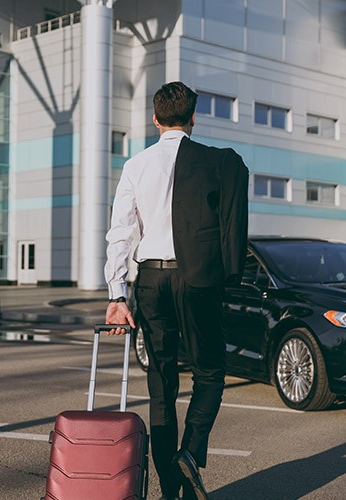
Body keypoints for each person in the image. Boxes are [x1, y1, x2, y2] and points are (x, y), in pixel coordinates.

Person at [104, 81, 249, 500]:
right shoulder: (217, 162)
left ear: (155, 119)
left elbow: (121, 234)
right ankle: (190, 451)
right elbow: (229, 228)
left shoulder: (136, 165)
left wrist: (117, 295)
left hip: (150, 280)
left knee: (161, 383)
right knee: (210, 372)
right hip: (197, 279)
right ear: (192, 119)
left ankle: (170, 491)